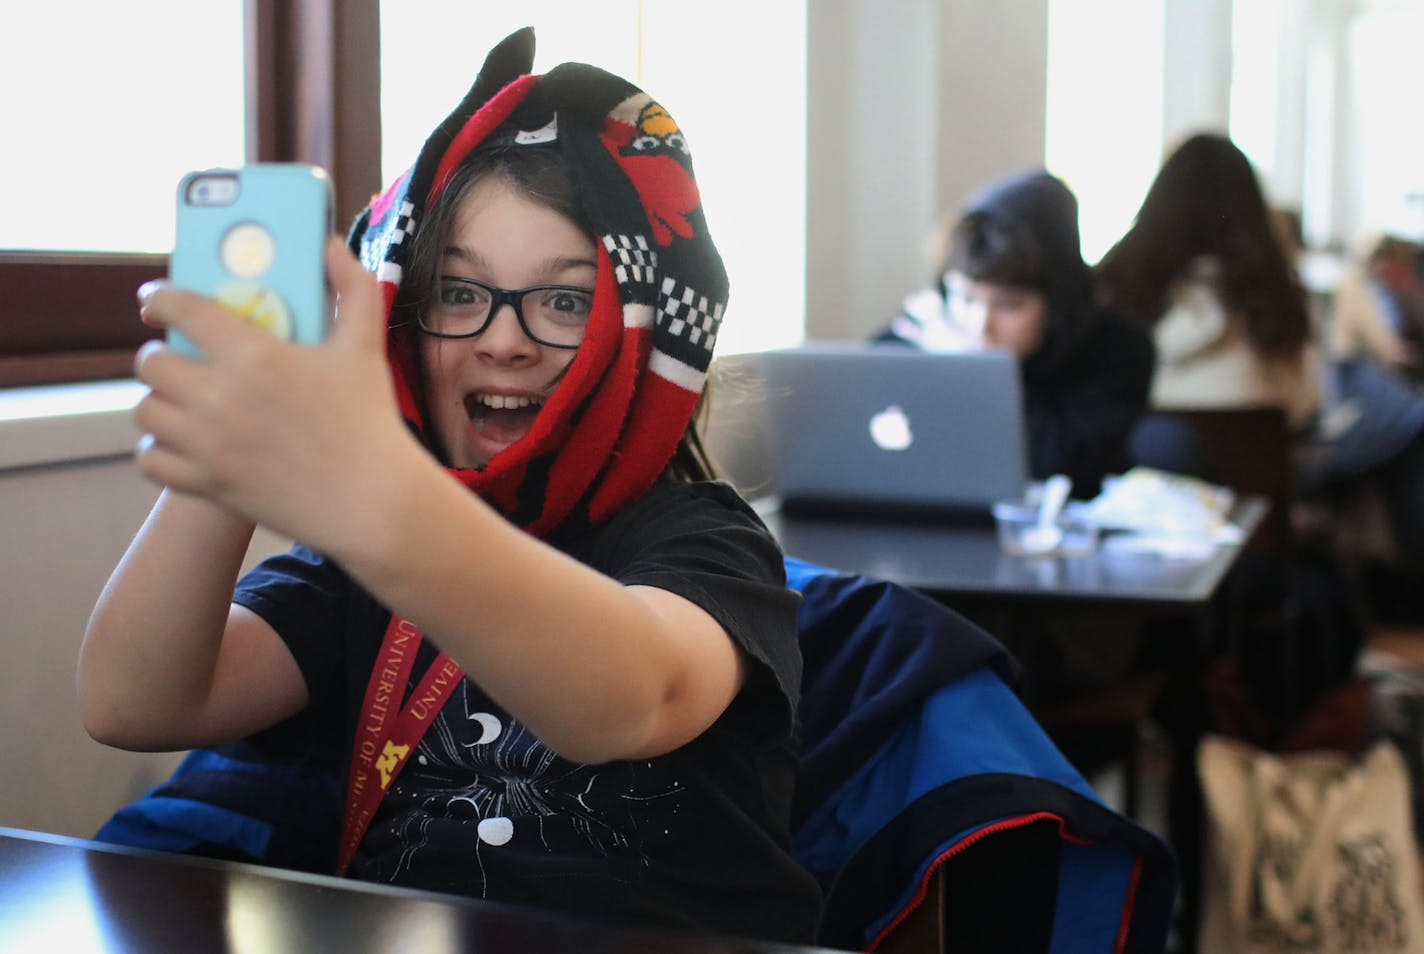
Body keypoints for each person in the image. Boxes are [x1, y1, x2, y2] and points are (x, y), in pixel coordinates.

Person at [77, 29, 823, 943]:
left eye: (563, 301)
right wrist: (229, 444)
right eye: (458, 293)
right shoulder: (361, 567)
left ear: (639, 338)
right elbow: (134, 701)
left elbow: (631, 698)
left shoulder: (701, 543)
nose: (502, 339)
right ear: (401, 320)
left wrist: (378, 490)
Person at [877, 169, 1155, 500]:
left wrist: (974, 370)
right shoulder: (931, 325)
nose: (980, 326)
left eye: (1007, 306)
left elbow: (1060, 466)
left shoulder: (1120, 349)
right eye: (965, 298)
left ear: (1056, 303)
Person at [1095, 132, 1320, 433]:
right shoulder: (1275, 297)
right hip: (1254, 472)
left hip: (1140, 473)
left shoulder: (1116, 291)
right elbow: (1303, 406)